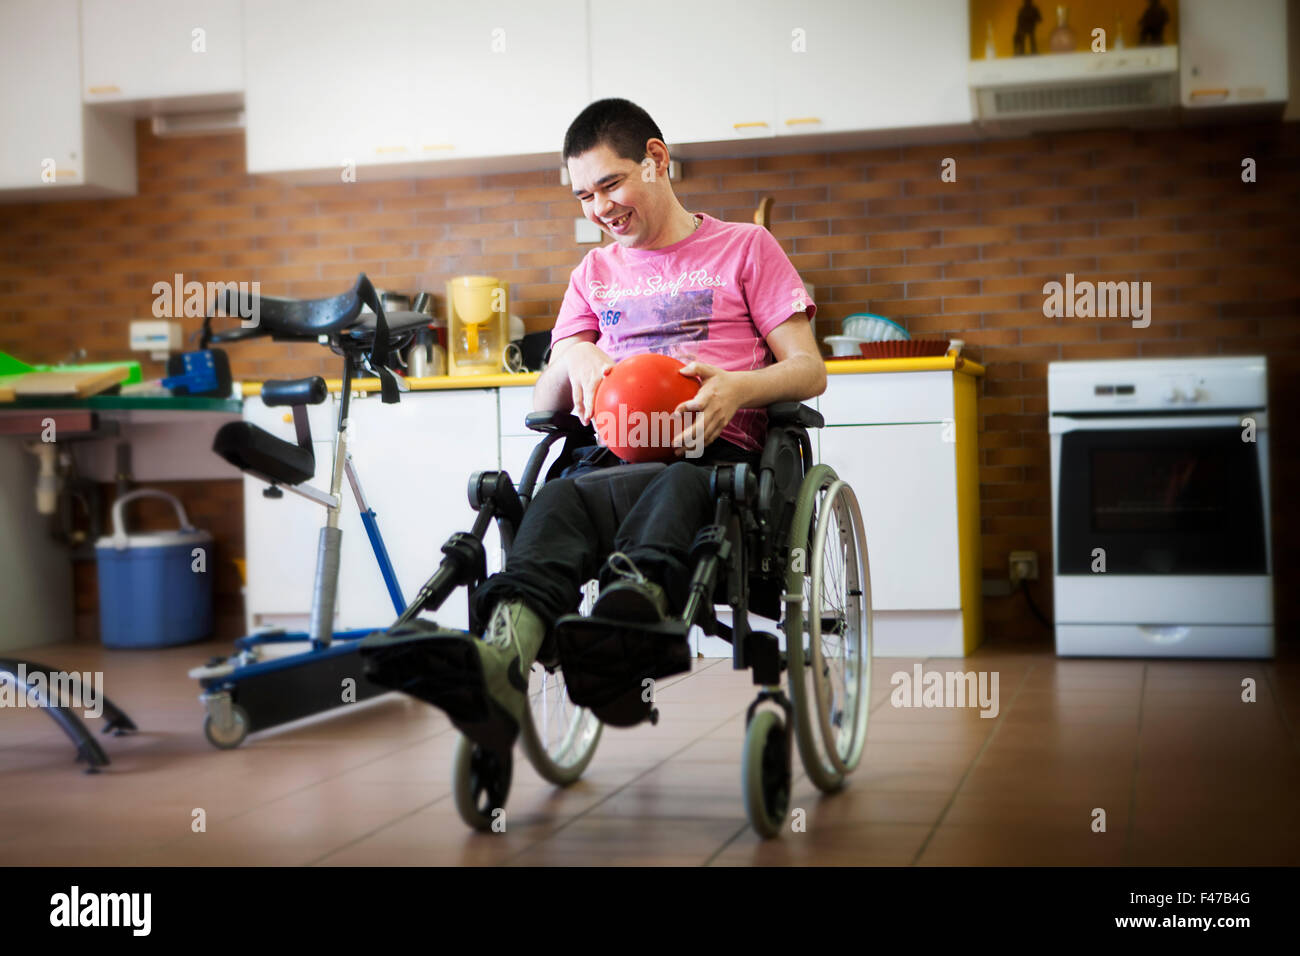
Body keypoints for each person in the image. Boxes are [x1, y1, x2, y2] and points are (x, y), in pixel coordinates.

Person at [378, 98, 825, 751]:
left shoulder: (745, 248)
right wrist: (573, 352)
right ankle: (500, 663)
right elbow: (546, 402)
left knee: (678, 485)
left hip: (710, 454)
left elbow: (810, 370)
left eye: (610, 184)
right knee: (555, 498)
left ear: (656, 159)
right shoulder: (593, 273)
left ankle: (623, 629)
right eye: (584, 195)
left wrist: (740, 389)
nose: (599, 208)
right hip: (608, 459)